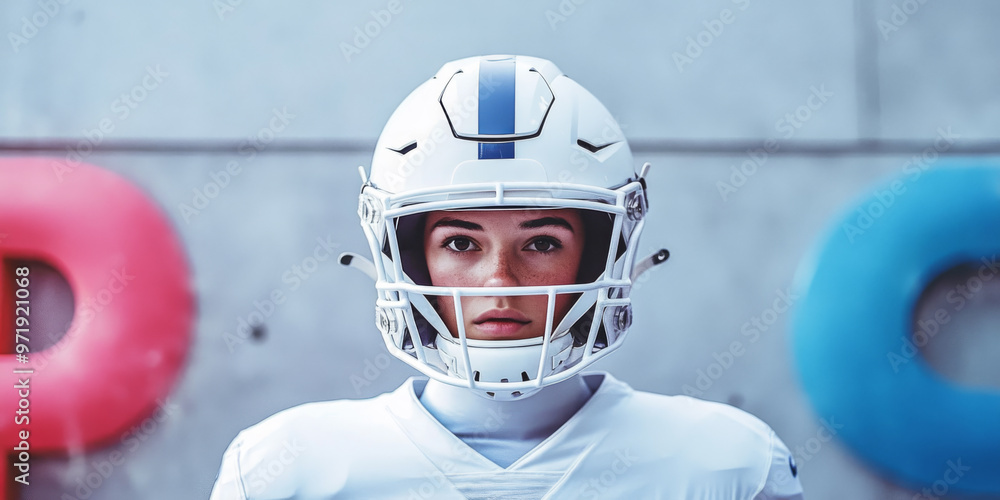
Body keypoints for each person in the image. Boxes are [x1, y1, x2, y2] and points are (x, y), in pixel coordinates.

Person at [209, 55, 804, 499]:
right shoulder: (284, 471)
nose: (500, 281)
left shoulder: (728, 465)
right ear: (408, 257)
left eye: (542, 243)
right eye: (461, 243)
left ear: (598, 255)